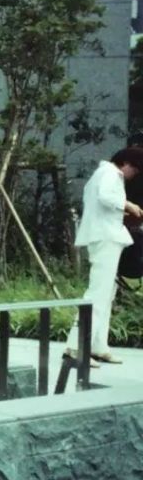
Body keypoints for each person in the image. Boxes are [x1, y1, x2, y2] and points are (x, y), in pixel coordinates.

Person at [63, 148, 143, 365]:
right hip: (105, 238)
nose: (134, 174)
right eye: (135, 169)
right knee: (98, 294)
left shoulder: (103, 174)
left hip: (106, 236)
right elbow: (106, 197)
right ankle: (75, 347)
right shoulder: (110, 173)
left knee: (106, 294)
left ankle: (98, 345)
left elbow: (103, 204)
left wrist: (124, 211)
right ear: (125, 163)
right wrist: (129, 205)